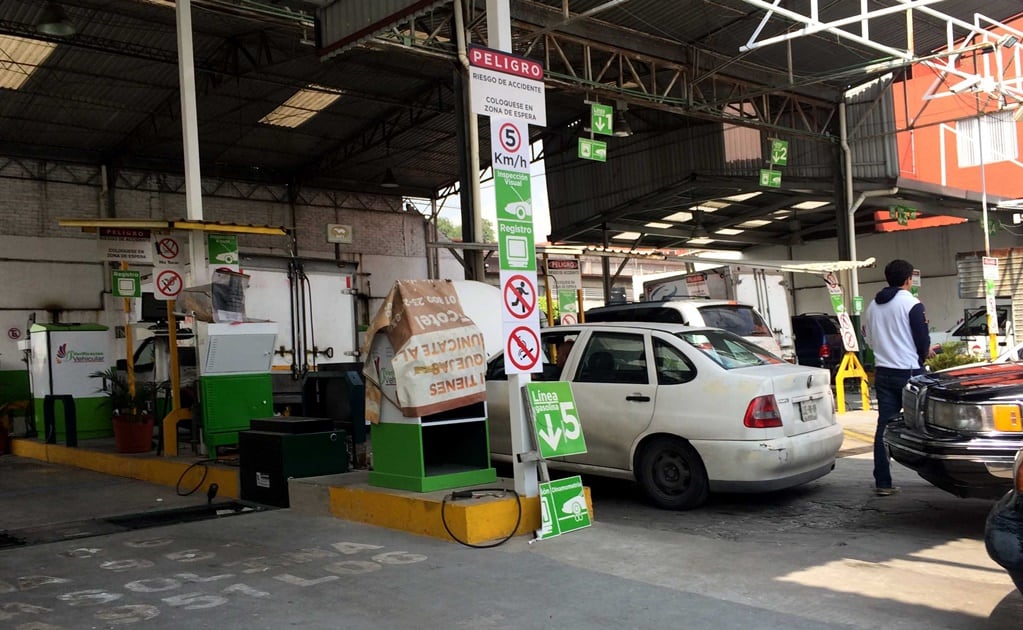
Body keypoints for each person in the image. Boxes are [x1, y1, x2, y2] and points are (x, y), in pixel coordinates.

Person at [862, 259, 936, 497]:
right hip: (911, 375)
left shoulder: (873, 306)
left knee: (884, 427)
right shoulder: (912, 304)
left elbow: (871, 341)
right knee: (926, 427)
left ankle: (883, 482)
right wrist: (926, 352)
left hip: (883, 373)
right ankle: (936, 475)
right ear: (908, 280)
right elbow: (922, 341)